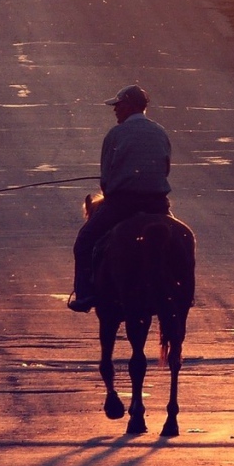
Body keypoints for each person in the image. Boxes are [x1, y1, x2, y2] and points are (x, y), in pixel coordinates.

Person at [68, 83, 172, 312]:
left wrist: (116, 184)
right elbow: (165, 169)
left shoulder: (116, 134)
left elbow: (106, 179)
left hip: (122, 204)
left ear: (130, 106)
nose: (115, 110)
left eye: (118, 106)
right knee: (178, 239)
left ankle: (85, 293)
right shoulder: (160, 131)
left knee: (85, 241)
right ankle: (178, 291)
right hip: (158, 203)